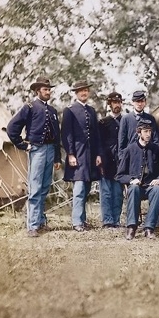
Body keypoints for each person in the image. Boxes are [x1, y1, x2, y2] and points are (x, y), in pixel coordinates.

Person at [5, 76, 62, 237]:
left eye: (49, 89)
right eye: (45, 89)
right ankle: (32, 226)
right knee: (35, 187)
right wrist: (22, 144)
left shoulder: (52, 111)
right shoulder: (29, 107)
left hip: (51, 150)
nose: (48, 92)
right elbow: (11, 128)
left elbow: (56, 136)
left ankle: (41, 221)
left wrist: (57, 157)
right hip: (37, 150)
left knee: (45, 186)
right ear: (38, 91)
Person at [118, 89, 159, 227]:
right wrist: (125, 160)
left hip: (149, 157)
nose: (139, 104)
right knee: (134, 189)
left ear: (145, 102)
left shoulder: (150, 119)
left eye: (141, 101)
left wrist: (153, 155)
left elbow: (156, 140)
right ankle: (132, 224)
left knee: (157, 186)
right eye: (137, 101)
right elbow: (121, 143)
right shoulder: (126, 118)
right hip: (132, 160)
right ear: (132, 103)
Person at [115, 118, 159, 240]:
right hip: (137, 188)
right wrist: (131, 180)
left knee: (158, 190)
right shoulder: (130, 150)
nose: (148, 134)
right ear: (139, 132)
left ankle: (149, 228)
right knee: (134, 188)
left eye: (150, 131)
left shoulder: (157, 150)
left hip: (150, 187)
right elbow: (119, 175)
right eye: (145, 131)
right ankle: (131, 227)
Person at [61, 80, 102, 232]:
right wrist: (70, 154)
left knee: (86, 188)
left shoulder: (91, 111)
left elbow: (96, 134)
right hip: (77, 155)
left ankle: (82, 220)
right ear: (76, 93)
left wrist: (98, 154)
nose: (84, 93)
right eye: (80, 91)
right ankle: (77, 222)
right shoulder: (69, 110)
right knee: (78, 189)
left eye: (85, 90)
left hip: (90, 156)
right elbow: (66, 134)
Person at [97, 91, 125, 229]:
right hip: (106, 161)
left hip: (121, 162)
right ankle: (107, 220)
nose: (117, 105)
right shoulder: (103, 122)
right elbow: (99, 143)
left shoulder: (126, 121)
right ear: (110, 104)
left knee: (118, 193)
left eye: (119, 102)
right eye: (114, 103)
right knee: (106, 192)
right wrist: (100, 158)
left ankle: (116, 220)